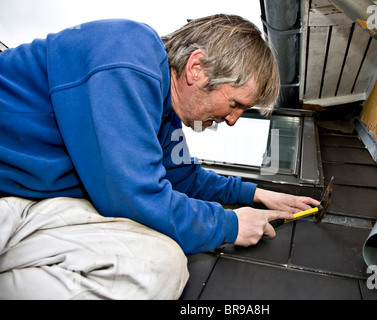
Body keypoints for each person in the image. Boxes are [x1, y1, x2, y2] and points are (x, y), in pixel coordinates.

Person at [0, 14, 319, 299]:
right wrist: (228, 224)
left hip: (34, 204)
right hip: (9, 199)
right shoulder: (126, 55)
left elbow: (184, 177)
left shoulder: (165, 113)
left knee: (161, 264)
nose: (233, 119)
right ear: (197, 68)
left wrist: (255, 193)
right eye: (235, 104)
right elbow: (131, 194)